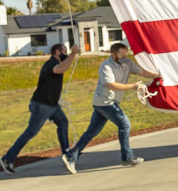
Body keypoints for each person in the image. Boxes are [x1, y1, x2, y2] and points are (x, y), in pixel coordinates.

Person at [62, 43, 159, 173]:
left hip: (108, 102)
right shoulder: (106, 66)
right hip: (105, 103)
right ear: (113, 54)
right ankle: (127, 158)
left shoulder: (127, 63)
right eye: (121, 53)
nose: (124, 55)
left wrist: (158, 75)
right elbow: (110, 85)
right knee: (124, 125)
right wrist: (133, 86)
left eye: (125, 53)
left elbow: (142, 72)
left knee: (92, 131)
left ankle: (71, 155)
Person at [0, 43, 80, 174]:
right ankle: (7, 158)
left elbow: (63, 67)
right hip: (41, 105)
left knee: (63, 122)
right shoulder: (50, 64)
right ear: (57, 52)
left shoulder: (56, 63)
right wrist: (73, 53)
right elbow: (61, 69)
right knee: (31, 132)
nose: (66, 53)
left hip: (52, 105)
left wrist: (72, 55)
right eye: (64, 51)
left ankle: (67, 154)